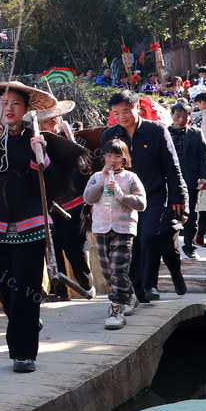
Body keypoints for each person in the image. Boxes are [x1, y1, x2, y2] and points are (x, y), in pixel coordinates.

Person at [0, 81, 84, 373]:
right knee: (4, 285)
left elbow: (50, 183)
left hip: (30, 221)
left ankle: (23, 352)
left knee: (27, 287)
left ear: (26, 110)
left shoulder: (38, 139)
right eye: (4, 103)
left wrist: (39, 156)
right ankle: (26, 320)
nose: (8, 108)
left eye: (15, 103)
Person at [101, 90, 187, 303]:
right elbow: (104, 169)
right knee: (132, 241)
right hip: (123, 200)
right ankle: (136, 290)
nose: (122, 117)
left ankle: (150, 285)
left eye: (126, 111)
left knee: (149, 236)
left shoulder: (156, 131)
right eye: (117, 113)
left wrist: (180, 198)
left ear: (137, 107)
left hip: (153, 195)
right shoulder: (109, 136)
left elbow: (172, 166)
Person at [84, 139, 146, 328]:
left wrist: (121, 195)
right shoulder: (96, 176)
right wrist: (101, 182)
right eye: (109, 155)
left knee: (119, 269)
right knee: (107, 271)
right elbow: (88, 198)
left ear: (124, 158)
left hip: (124, 229)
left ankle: (117, 309)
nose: (112, 159)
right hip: (101, 228)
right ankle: (130, 296)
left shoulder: (131, 178)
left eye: (117, 156)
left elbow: (141, 204)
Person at [37, 100, 95, 301]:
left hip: (72, 203)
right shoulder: (37, 143)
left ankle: (86, 283)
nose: (44, 127)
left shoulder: (68, 141)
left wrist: (69, 136)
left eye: (47, 123)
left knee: (73, 246)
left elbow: (84, 168)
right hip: (49, 205)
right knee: (52, 247)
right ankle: (59, 291)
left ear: (56, 121)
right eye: (41, 123)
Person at [169, 101, 206, 262]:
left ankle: (190, 248)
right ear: (172, 116)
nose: (180, 119)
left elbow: (204, 158)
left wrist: (204, 176)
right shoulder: (164, 133)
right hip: (169, 182)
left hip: (190, 181)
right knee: (169, 218)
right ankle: (170, 249)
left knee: (192, 216)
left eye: (184, 116)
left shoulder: (196, 133)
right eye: (177, 116)